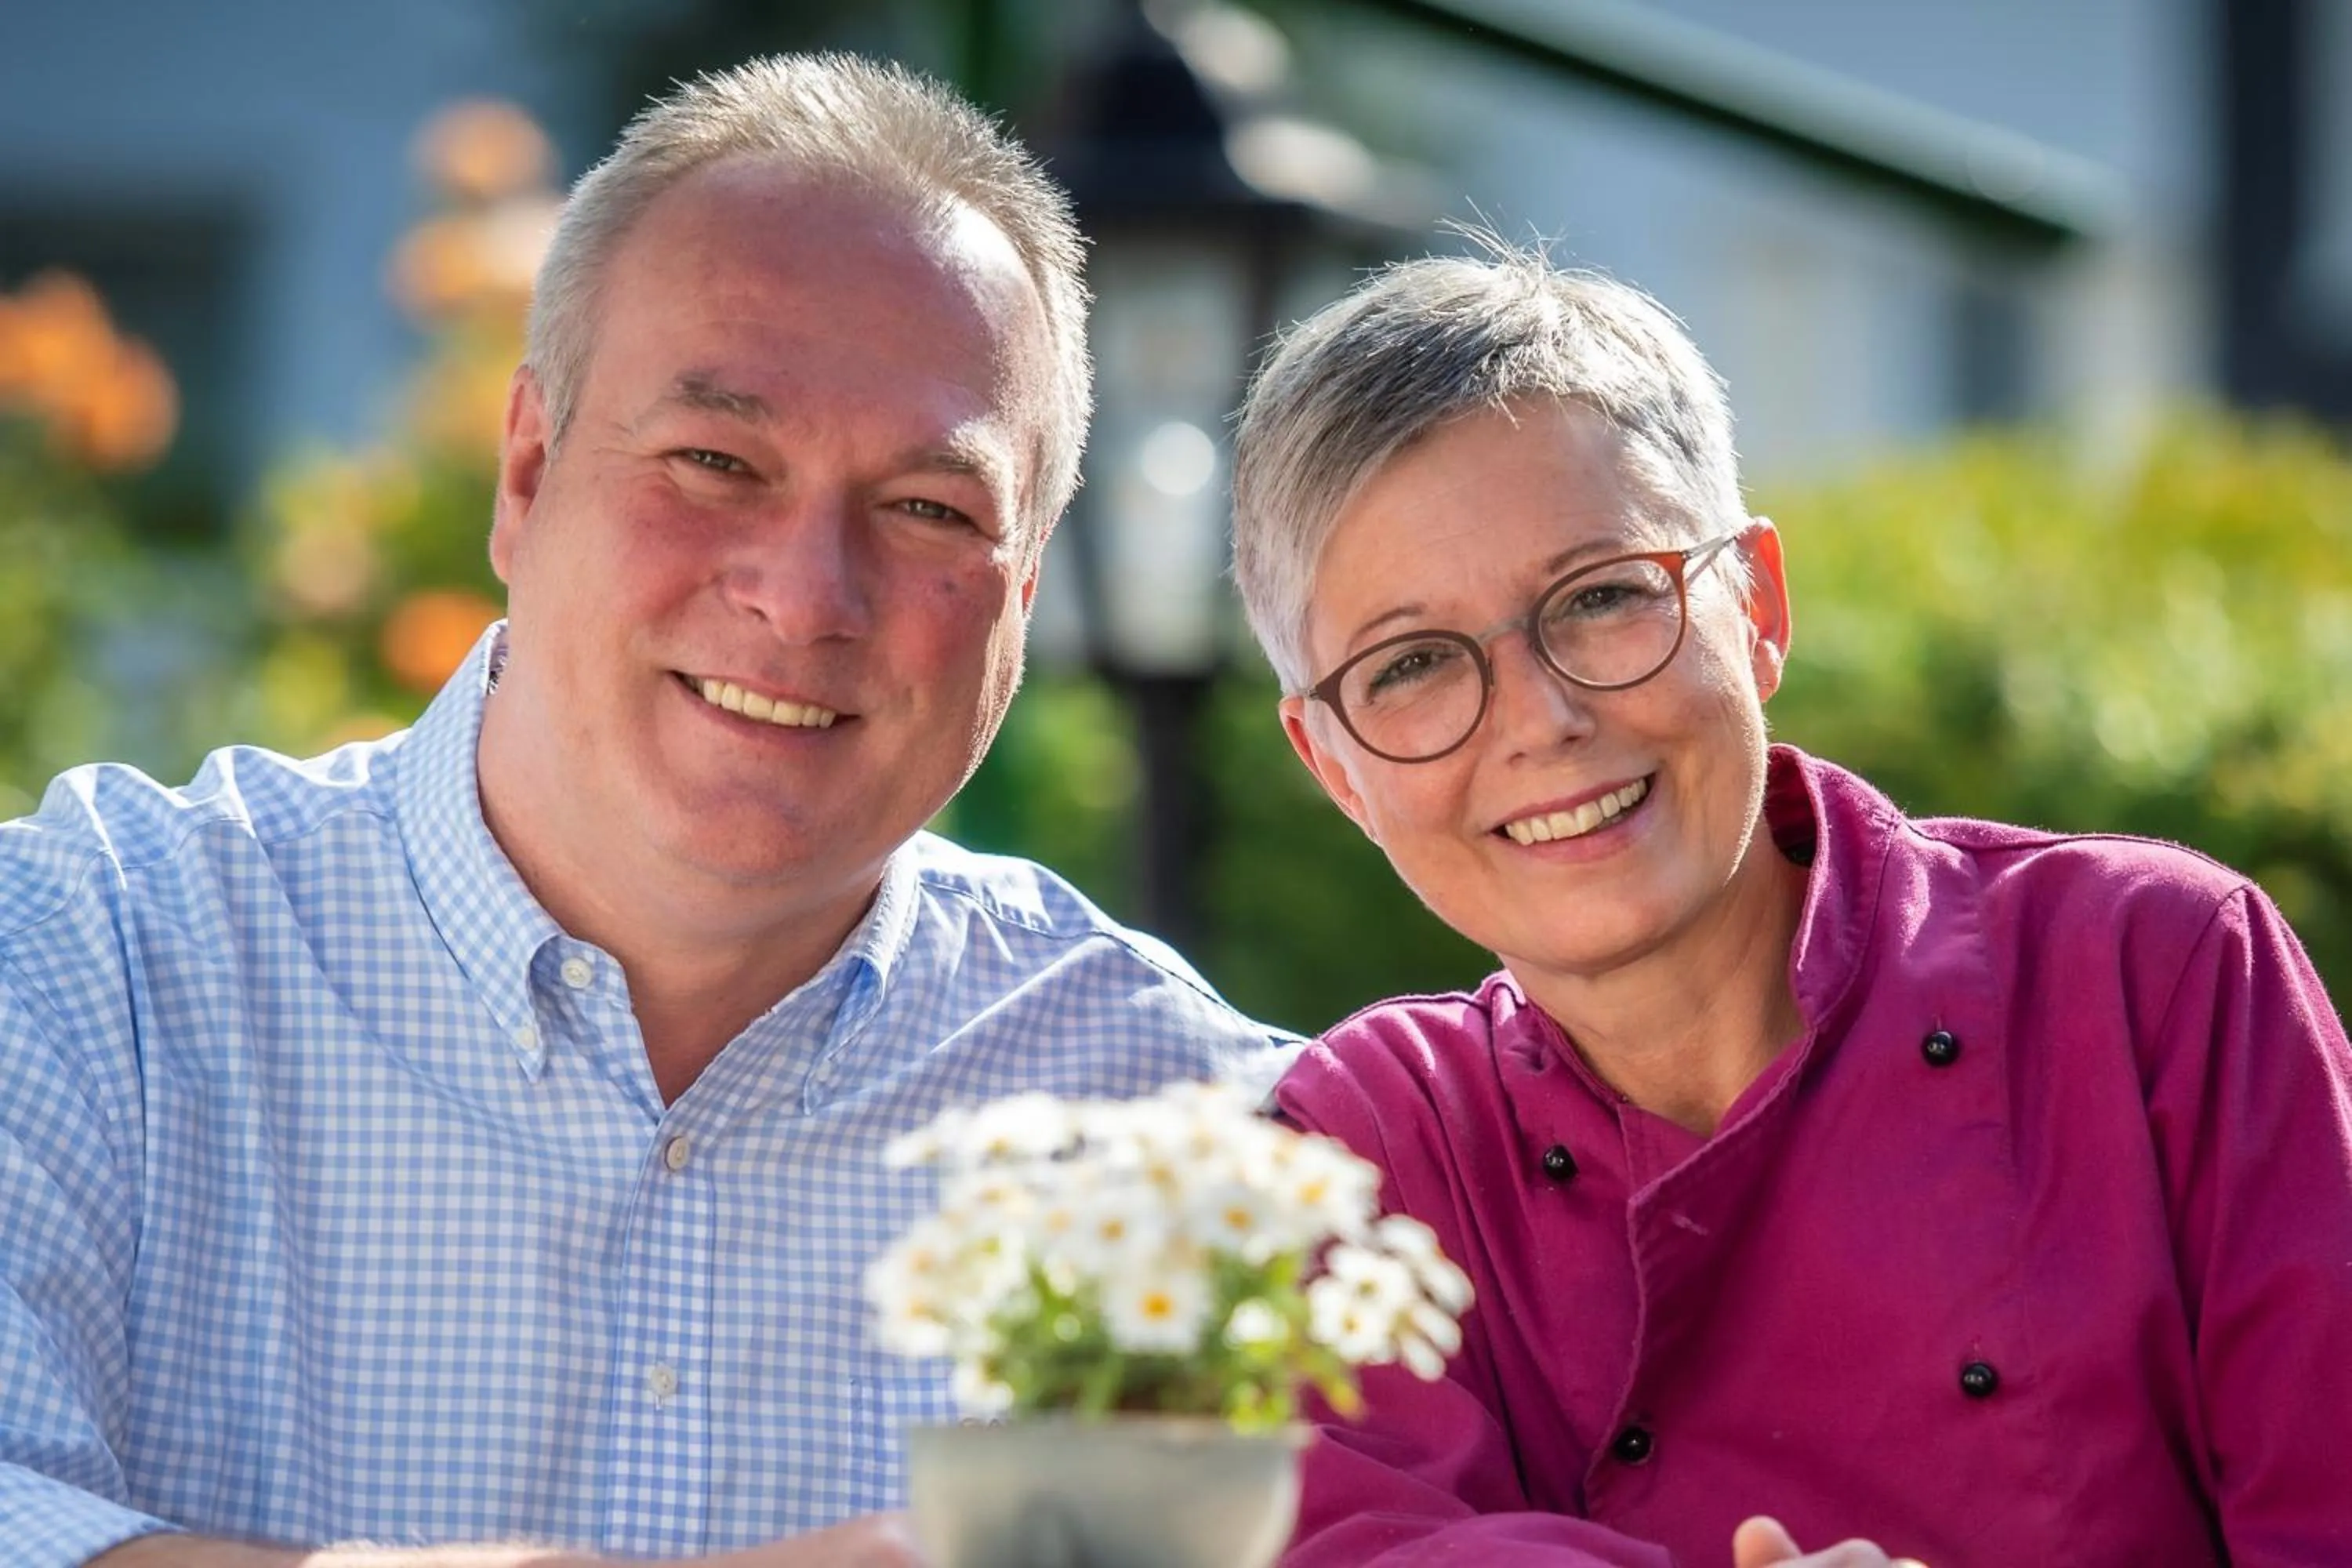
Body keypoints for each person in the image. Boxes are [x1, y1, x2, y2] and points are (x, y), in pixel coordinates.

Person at [0, 55, 1291, 1568]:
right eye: (714, 462)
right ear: (529, 475)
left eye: (931, 508)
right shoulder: (86, 968)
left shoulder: (1191, 1126)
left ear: (1024, 585)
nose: (807, 594)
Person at [1229, 241, 2352, 1566]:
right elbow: (1357, 1544)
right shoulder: (1372, 1140)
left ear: (1756, 605)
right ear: (1333, 767)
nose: (1542, 721)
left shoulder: (2147, 971)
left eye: (1601, 598)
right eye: (1412, 664)